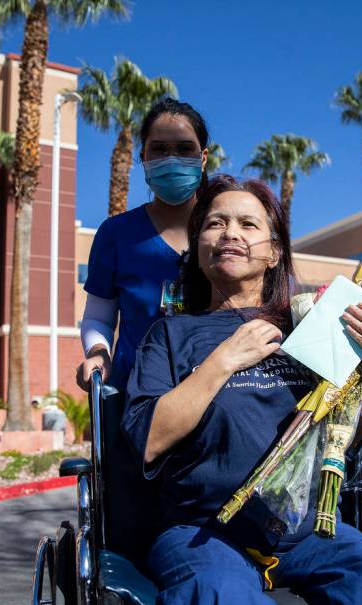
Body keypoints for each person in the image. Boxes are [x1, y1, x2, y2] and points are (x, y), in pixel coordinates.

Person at [123, 176, 362, 605]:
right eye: (216, 223)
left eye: (247, 223)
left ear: (274, 252)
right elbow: (149, 439)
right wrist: (221, 362)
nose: (230, 233)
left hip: (307, 532)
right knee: (223, 600)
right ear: (198, 247)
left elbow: (335, 443)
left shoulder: (311, 327)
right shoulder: (170, 336)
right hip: (203, 532)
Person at [77, 98, 210, 392]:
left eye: (185, 148)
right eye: (159, 149)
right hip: (137, 401)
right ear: (144, 158)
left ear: (203, 158)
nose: (171, 159)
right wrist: (98, 353)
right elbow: (98, 317)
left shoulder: (227, 231)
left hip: (217, 402)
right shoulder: (116, 234)